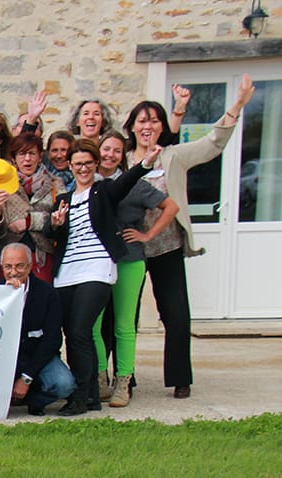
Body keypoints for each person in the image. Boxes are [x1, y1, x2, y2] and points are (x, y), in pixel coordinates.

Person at [122, 75, 254, 399]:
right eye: (142, 121)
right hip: (131, 249)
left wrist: (237, 105)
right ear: (132, 127)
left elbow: (212, 144)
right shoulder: (123, 160)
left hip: (167, 245)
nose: (147, 126)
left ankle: (180, 377)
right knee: (126, 314)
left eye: (154, 121)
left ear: (161, 127)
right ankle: (126, 376)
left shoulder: (174, 156)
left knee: (176, 314)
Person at [48, 139, 159, 416]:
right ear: (70, 167)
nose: (83, 168)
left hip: (96, 269)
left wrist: (145, 164)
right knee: (70, 334)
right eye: (77, 164)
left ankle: (82, 395)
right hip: (67, 272)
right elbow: (56, 238)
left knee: (80, 331)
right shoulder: (63, 199)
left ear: (96, 164)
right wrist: (56, 225)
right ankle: (92, 396)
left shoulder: (104, 191)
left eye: (88, 163)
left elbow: (126, 181)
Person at [94, 139, 180, 408]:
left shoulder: (136, 184)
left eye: (116, 151)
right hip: (96, 262)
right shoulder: (90, 185)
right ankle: (99, 379)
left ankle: (123, 382)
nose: (109, 154)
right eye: (105, 149)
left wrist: (148, 235)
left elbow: (171, 207)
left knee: (123, 325)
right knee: (93, 324)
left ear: (122, 157)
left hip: (129, 260)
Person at [1, 243, 76, 417]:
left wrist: (27, 378)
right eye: (8, 266)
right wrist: (6, 297)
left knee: (64, 384)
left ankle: (34, 400)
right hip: (6, 360)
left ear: (30, 266)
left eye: (19, 266)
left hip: (37, 356)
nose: (13, 272)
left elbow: (52, 340)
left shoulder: (47, 293)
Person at [0, 133, 62, 282]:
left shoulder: (55, 183)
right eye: (22, 154)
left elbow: (62, 217)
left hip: (42, 257)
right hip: (9, 259)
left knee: (38, 301)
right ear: (14, 158)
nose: (27, 159)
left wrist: (29, 222)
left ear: (40, 157)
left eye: (32, 153)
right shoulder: (1, 184)